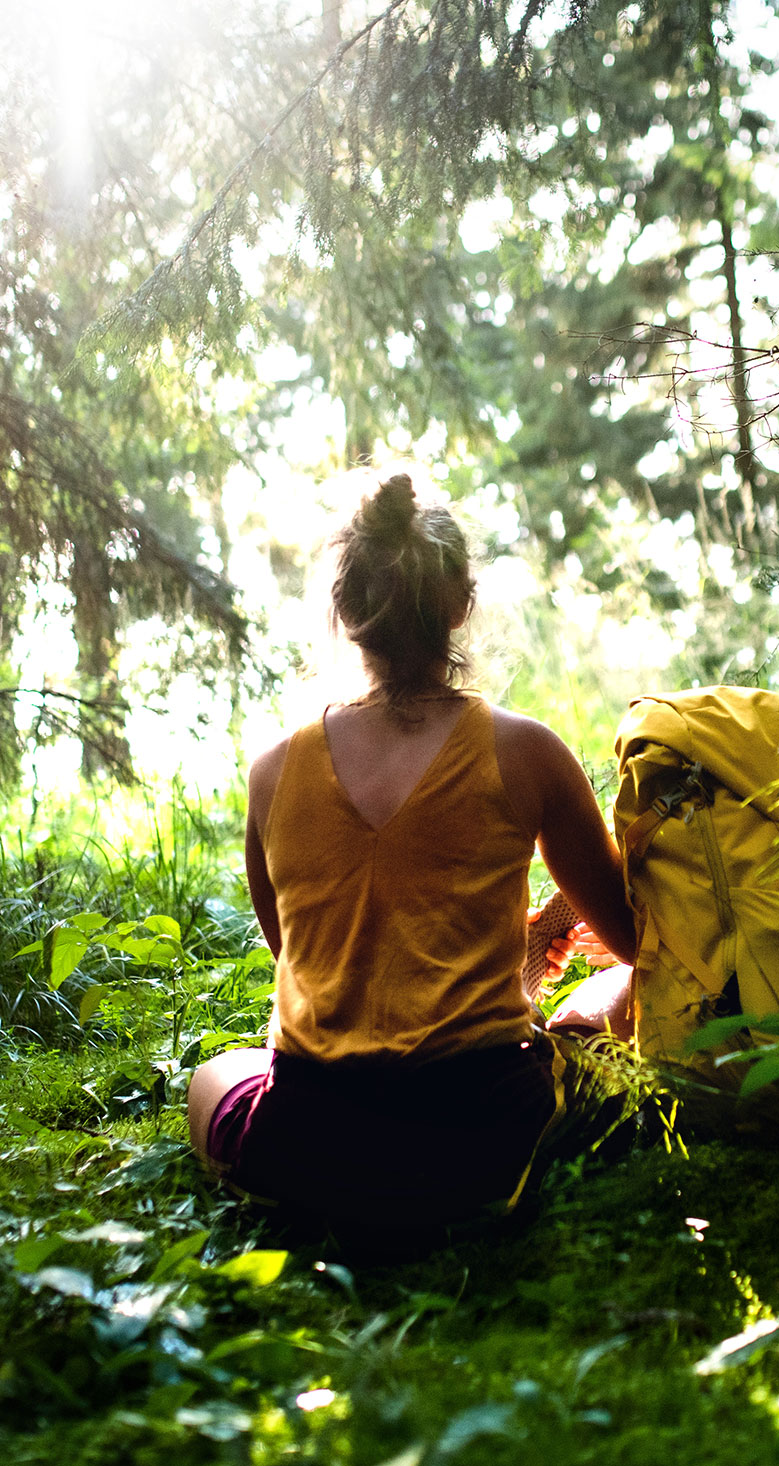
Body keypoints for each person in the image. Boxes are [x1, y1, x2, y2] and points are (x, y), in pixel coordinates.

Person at [185, 471, 639, 1244]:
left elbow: (304, 959)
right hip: (488, 1140)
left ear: (347, 611)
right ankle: (557, 1032)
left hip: (311, 1147)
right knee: (618, 990)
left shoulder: (271, 773)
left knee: (213, 1076)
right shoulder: (527, 751)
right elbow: (636, 938)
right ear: (461, 603)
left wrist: (514, 947)